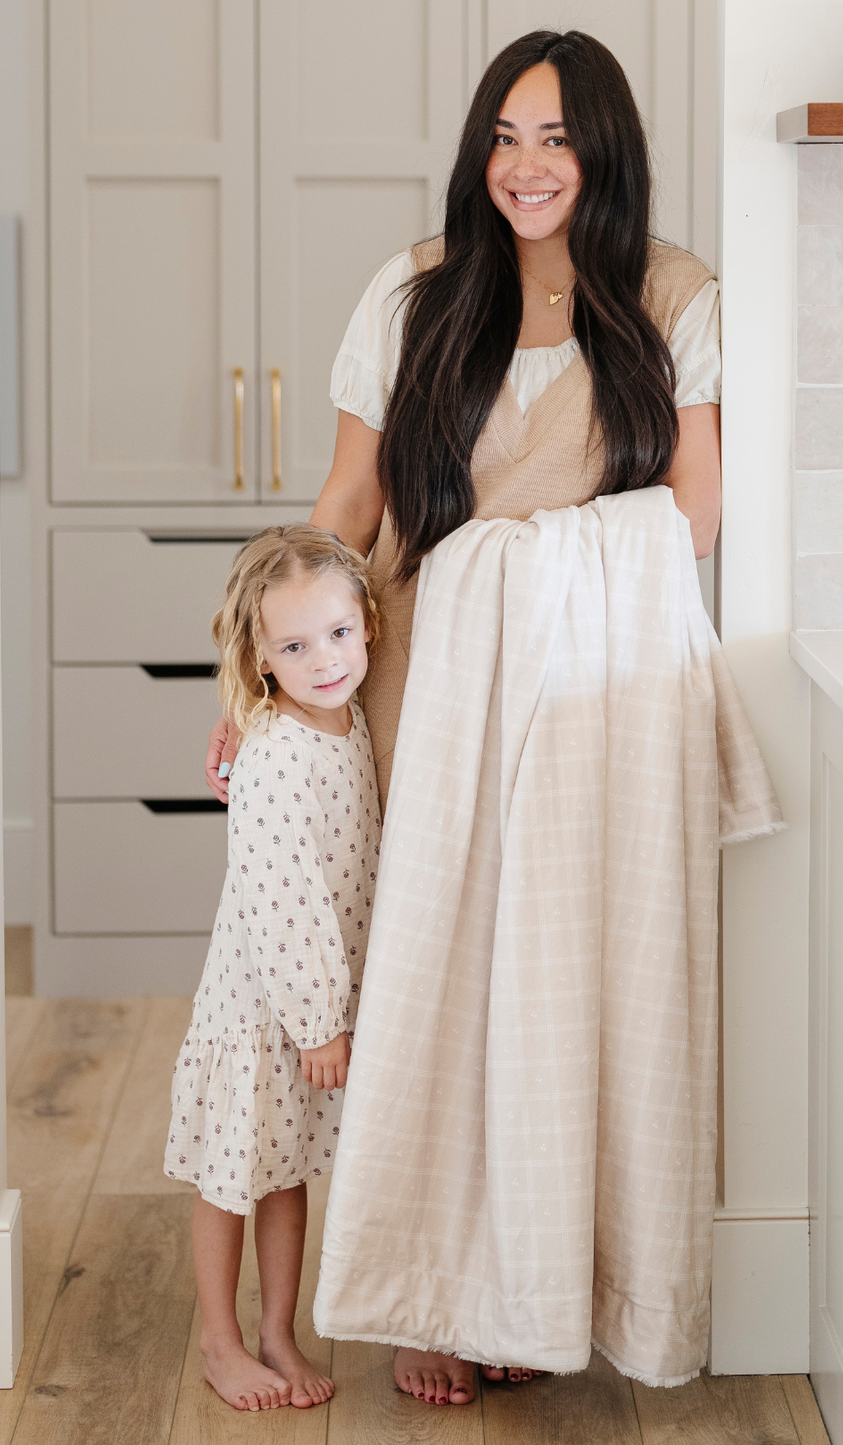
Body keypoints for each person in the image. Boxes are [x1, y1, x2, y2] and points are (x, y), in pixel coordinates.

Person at [207, 30, 729, 1406]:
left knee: (550, 1007)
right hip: (417, 690)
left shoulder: (670, 298)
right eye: (504, 136)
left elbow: (694, 516)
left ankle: (536, 1286)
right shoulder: (417, 293)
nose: (524, 166)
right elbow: (347, 508)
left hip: (586, 708)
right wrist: (250, 676)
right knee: (431, 998)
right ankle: (437, 1292)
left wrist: (533, 568)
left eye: (555, 138)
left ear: (603, 148)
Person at [169, 525, 381, 1412]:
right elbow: (282, 897)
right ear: (260, 656)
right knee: (233, 1174)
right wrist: (320, 1019)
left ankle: (278, 1333)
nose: (324, 658)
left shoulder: (352, 717)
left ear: (367, 621)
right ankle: (220, 1340)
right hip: (265, 1009)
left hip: (305, 1009)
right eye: (294, 646)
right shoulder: (274, 756)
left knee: (284, 1171)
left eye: (336, 633)